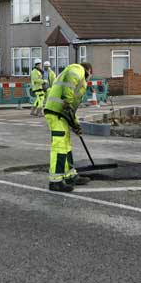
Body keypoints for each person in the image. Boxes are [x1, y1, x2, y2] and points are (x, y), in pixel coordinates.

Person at [43, 62, 93, 192]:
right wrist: (67, 99)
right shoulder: (78, 69)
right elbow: (70, 80)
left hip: (62, 113)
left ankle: (70, 175)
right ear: (89, 71)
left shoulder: (79, 76)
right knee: (59, 146)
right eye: (90, 76)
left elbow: (71, 109)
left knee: (66, 145)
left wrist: (75, 124)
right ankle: (56, 181)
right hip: (57, 112)